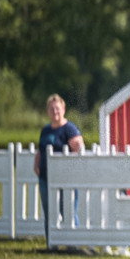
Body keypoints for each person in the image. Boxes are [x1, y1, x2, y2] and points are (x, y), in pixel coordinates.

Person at [34, 94, 84, 242]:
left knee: (67, 211)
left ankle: (73, 242)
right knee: (50, 212)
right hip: (45, 177)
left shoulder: (70, 129)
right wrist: (36, 166)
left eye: (57, 108)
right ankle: (52, 243)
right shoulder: (46, 130)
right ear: (47, 111)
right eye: (51, 109)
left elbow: (79, 149)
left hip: (65, 179)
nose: (54, 111)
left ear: (63, 109)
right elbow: (40, 150)